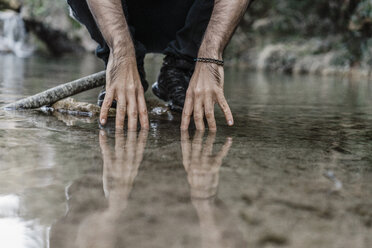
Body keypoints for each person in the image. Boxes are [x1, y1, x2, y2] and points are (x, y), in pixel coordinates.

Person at [67, 0, 252, 131]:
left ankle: (180, 68)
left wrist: (209, 59)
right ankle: (126, 70)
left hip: (188, 14)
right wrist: (121, 54)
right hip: (119, 14)